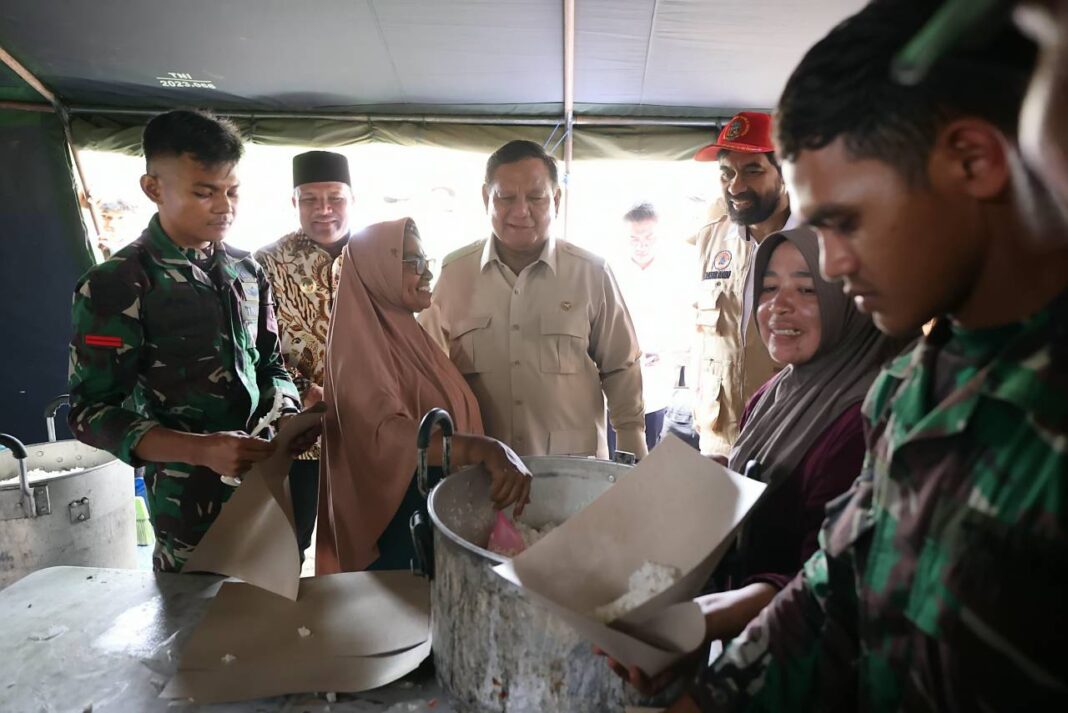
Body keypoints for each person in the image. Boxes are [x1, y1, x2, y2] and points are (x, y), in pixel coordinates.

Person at [667, 2, 1068, 710]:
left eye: (844, 222)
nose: (835, 265)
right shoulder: (908, 387)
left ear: (972, 160)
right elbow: (837, 591)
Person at [598, 227, 896, 694]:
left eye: (806, 289)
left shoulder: (864, 420)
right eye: (769, 288)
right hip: (748, 648)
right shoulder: (777, 392)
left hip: (810, 674)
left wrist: (701, 618)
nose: (779, 305)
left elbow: (829, 581)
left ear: (849, 299)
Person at [67, 110, 315, 573]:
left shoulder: (248, 272)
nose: (224, 207)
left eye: (232, 191)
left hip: (270, 494)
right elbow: (89, 414)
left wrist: (287, 412)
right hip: (189, 511)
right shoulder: (118, 284)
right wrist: (201, 449)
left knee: (276, 622)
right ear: (153, 188)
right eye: (204, 193)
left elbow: (273, 366)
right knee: (197, 632)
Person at [316, 218, 533, 573]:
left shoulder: (409, 336)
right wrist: (481, 448)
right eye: (412, 264)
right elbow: (383, 436)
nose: (427, 274)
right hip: (396, 527)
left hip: (430, 508)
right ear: (378, 271)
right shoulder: (358, 348)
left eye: (424, 262)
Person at [419, 140, 647, 460]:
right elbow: (423, 367)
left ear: (556, 198)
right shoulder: (455, 275)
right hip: (483, 474)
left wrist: (631, 458)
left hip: (574, 472)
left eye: (536, 197)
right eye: (506, 197)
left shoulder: (591, 273)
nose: (521, 211)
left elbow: (622, 367)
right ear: (486, 198)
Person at [255, 150, 354, 562]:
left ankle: (350, 625)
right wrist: (302, 390)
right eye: (310, 199)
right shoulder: (265, 263)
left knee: (358, 541)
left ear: (352, 199)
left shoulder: (377, 258)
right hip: (295, 433)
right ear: (294, 202)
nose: (324, 210)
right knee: (285, 546)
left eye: (335, 197)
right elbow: (254, 346)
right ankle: (279, 623)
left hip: (364, 432)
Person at [690, 111, 797, 458]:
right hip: (719, 441)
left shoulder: (819, 241)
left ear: (784, 172)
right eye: (726, 173)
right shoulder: (712, 238)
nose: (735, 186)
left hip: (790, 437)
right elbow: (703, 342)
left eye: (753, 170)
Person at [609, 203, 693, 452]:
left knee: (654, 453)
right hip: (616, 382)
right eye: (634, 239)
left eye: (648, 238)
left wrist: (666, 352)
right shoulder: (610, 272)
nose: (641, 245)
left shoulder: (676, 274)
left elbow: (688, 328)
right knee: (618, 457)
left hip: (659, 386)